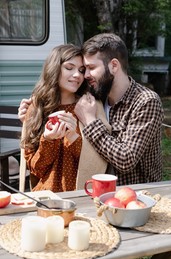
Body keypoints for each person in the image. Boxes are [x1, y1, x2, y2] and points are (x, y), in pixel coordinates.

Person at [74, 33, 164, 186]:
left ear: (114, 65)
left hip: (136, 197)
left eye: (91, 67)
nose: (86, 75)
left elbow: (125, 159)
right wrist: (32, 111)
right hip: (98, 193)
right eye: (85, 69)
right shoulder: (96, 97)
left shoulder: (146, 101)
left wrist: (90, 122)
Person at [20, 44, 110, 192]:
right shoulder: (37, 107)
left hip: (82, 192)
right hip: (47, 194)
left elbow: (95, 162)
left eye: (81, 70)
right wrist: (48, 140)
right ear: (54, 68)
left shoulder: (89, 105)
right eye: (69, 68)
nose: (77, 75)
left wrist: (73, 136)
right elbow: (36, 169)